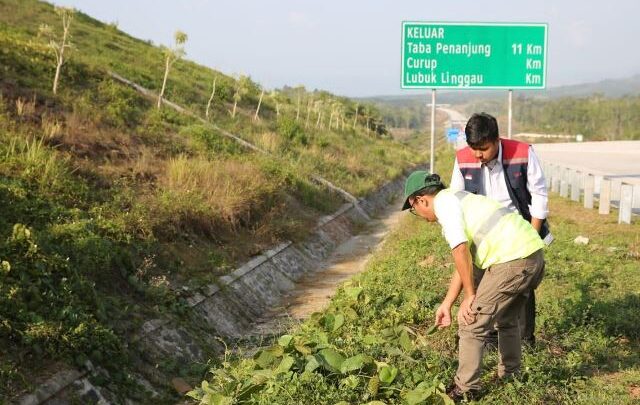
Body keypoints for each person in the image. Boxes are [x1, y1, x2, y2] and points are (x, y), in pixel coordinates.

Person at [402, 170, 545, 400]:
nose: (418, 214)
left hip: (512, 261)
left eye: (413, 210)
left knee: (470, 323)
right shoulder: (460, 199)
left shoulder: (444, 205)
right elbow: (464, 262)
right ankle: (512, 375)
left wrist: (470, 296)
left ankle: (466, 389)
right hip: (532, 256)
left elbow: (459, 250)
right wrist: (447, 304)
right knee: (506, 320)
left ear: (420, 200)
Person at [450, 112, 551, 347]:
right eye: (473, 148)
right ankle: (489, 335)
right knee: (486, 282)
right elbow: (458, 198)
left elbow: (539, 195)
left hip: (518, 229)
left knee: (521, 284)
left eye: (483, 149)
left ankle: (525, 339)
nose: (477, 155)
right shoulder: (464, 158)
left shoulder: (523, 153)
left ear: (497, 140)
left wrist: (531, 237)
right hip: (484, 232)